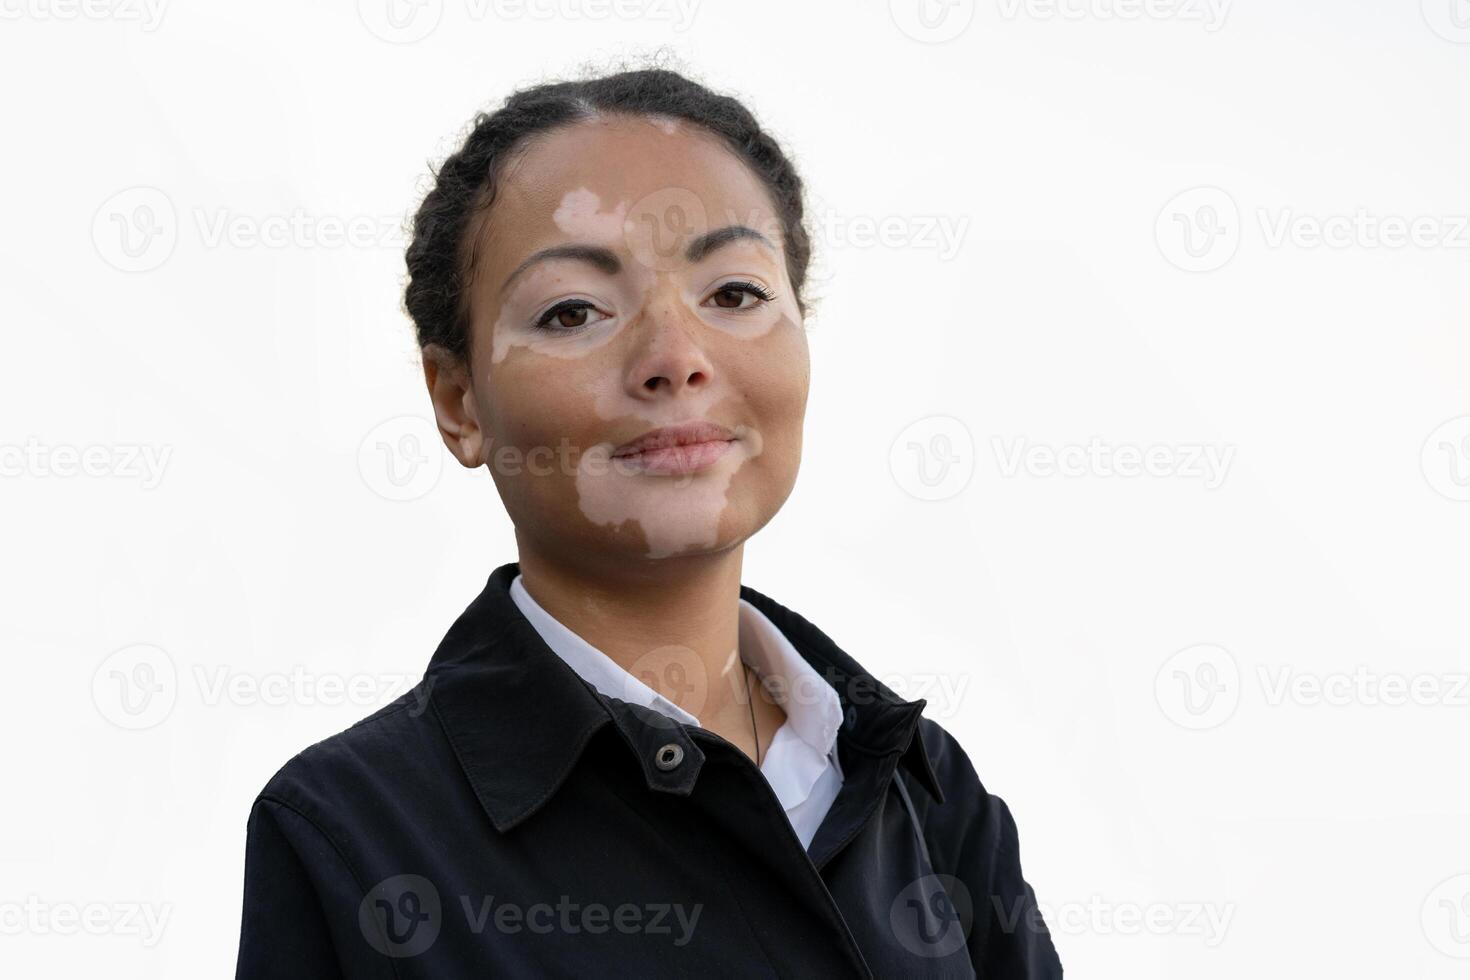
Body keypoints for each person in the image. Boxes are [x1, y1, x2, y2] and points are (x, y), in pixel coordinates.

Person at [234, 64, 1061, 978]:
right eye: (574, 310)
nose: (675, 358)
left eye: (735, 294)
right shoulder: (354, 833)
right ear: (459, 400)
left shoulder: (921, 787)